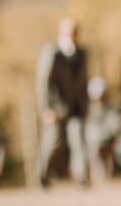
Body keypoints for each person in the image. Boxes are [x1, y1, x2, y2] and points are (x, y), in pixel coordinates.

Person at [36, 17, 90, 188]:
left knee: (78, 140)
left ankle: (81, 177)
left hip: (76, 107)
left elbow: (84, 81)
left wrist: (85, 105)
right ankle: (42, 175)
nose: (72, 35)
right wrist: (46, 107)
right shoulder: (51, 52)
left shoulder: (82, 54)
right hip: (56, 107)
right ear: (62, 32)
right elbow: (43, 81)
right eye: (69, 31)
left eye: (75, 32)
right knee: (53, 142)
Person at [84, 77, 121, 181]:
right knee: (94, 151)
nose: (100, 98)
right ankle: (98, 174)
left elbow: (116, 125)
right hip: (94, 140)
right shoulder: (87, 109)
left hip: (109, 138)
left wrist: (116, 137)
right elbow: (87, 130)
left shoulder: (112, 107)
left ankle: (112, 172)